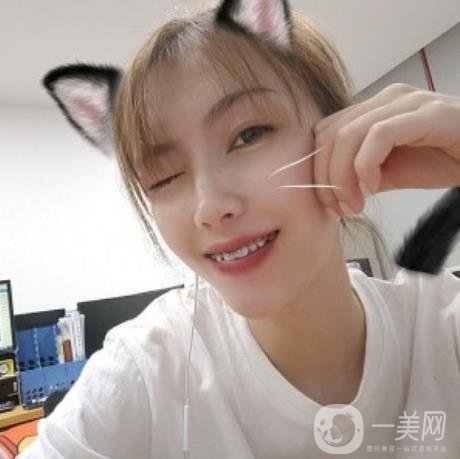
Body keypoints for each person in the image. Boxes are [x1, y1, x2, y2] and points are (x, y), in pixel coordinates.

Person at [20, 0, 460, 457]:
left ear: (341, 124)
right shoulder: (145, 372)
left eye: (249, 135)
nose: (210, 208)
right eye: (164, 177)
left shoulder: (442, 330)